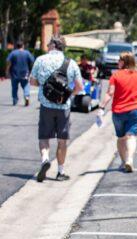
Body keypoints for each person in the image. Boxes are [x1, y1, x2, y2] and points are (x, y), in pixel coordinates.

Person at [30, 35, 83, 182]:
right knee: (62, 140)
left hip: (45, 105)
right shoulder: (71, 63)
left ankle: (45, 159)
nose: (47, 46)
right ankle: (60, 172)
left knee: (44, 137)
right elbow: (79, 87)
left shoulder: (40, 60)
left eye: (48, 44)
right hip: (63, 107)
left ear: (53, 45)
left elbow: (32, 81)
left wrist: (45, 86)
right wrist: (67, 94)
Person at [98, 51, 137, 173]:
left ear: (124, 62)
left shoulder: (115, 76)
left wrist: (101, 107)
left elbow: (110, 93)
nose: (117, 62)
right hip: (135, 110)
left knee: (121, 138)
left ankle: (123, 161)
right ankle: (129, 160)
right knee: (131, 136)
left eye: (119, 60)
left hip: (118, 112)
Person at [5, 40, 34, 106]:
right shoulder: (27, 53)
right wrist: (31, 70)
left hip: (14, 73)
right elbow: (32, 61)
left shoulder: (13, 53)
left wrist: (7, 71)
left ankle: (15, 99)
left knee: (14, 87)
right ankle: (26, 96)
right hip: (25, 73)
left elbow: (8, 62)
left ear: (16, 46)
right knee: (26, 85)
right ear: (23, 46)